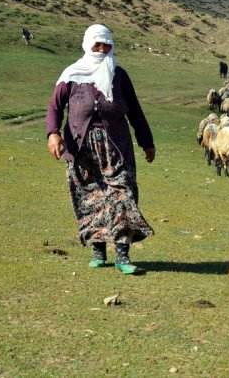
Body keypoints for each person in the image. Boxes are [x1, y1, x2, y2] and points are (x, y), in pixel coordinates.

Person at [46, 24, 155, 275]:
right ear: (87, 44)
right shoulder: (72, 75)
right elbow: (54, 107)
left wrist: (146, 142)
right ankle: (97, 250)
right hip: (80, 147)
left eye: (106, 45)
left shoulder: (119, 75)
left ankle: (122, 255)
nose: (102, 49)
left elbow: (135, 111)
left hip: (116, 146)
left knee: (123, 195)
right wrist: (53, 134)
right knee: (89, 198)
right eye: (97, 44)